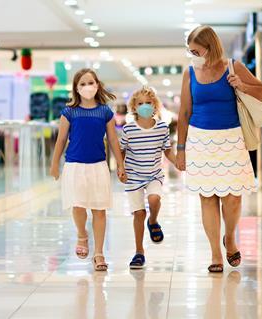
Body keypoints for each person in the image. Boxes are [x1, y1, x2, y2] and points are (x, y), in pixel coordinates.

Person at [176, 25, 262, 273]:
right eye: (191, 51)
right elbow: (183, 112)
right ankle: (216, 253)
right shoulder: (190, 73)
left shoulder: (233, 66)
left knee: (233, 198)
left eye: (196, 50)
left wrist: (241, 85)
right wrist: (180, 148)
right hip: (200, 141)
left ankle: (230, 238)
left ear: (210, 46)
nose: (194, 55)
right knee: (207, 198)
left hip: (230, 139)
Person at [50, 68, 126, 272]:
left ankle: (99, 253)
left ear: (97, 84)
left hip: (98, 166)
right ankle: (82, 235)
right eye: (82, 84)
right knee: (78, 206)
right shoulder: (69, 112)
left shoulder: (105, 112)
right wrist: (54, 164)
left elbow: (112, 140)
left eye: (90, 82)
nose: (87, 87)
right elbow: (61, 140)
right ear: (76, 88)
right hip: (74, 166)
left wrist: (120, 164)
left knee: (99, 210)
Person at [120, 86, 176, 269]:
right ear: (134, 108)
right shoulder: (128, 130)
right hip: (133, 176)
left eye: (148, 102)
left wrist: (177, 162)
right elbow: (121, 151)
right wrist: (120, 168)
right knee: (138, 213)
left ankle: (153, 220)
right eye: (140, 103)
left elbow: (167, 150)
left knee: (154, 199)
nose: (145, 106)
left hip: (153, 174)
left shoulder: (162, 128)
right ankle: (139, 252)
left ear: (155, 105)